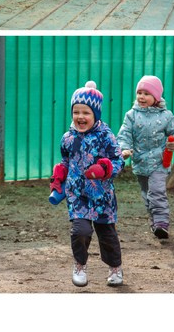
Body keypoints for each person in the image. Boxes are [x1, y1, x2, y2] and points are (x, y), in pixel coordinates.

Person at [52, 82, 124, 288]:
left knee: (107, 234)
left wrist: (105, 168)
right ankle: (80, 266)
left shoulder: (106, 136)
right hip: (78, 195)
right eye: (76, 112)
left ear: (96, 114)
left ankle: (115, 268)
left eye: (86, 112)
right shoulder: (67, 138)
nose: (80, 117)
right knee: (80, 231)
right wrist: (59, 175)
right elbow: (66, 161)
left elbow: (119, 160)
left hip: (102, 195)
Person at [115, 76, 174, 241]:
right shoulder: (131, 115)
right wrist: (124, 149)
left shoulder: (166, 116)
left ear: (156, 97)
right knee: (147, 194)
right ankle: (154, 222)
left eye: (146, 93)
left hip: (160, 162)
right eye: (139, 92)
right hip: (140, 162)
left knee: (157, 192)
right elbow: (124, 134)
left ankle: (162, 223)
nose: (141, 96)